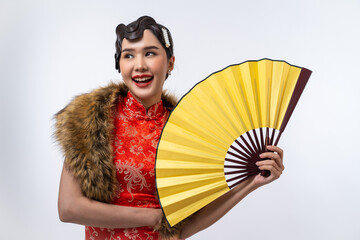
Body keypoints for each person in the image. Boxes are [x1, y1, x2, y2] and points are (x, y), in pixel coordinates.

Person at [55, 16, 284, 240]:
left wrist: (251, 183)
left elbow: (183, 228)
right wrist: (156, 217)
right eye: (128, 56)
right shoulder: (90, 118)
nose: (140, 65)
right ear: (119, 64)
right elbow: (69, 207)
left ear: (170, 62)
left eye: (150, 53)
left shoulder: (185, 132)